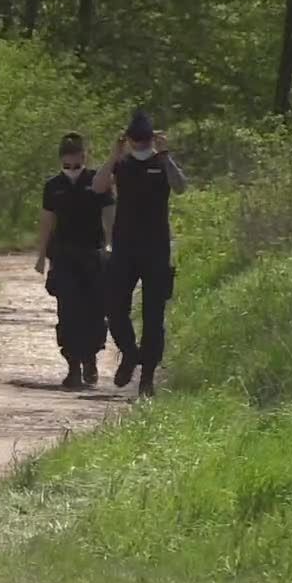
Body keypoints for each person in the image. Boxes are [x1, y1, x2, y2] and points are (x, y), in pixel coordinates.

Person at [92, 111, 188, 397]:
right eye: (136, 140)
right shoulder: (121, 165)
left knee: (153, 315)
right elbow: (97, 186)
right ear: (128, 140)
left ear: (152, 140)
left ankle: (147, 377)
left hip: (156, 248)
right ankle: (130, 354)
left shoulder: (161, 164)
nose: (141, 145)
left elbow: (181, 187)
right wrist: (113, 154)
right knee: (114, 307)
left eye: (145, 140)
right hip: (125, 247)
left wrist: (165, 154)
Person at [35, 133, 115, 389]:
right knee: (68, 312)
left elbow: (109, 213)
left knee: (94, 310)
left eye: (76, 157)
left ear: (84, 155)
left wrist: (111, 245)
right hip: (64, 254)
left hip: (93, 252)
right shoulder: (53, 185)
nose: (71, 162)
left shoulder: (97, 180)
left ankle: (90, 360)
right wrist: (40, 256)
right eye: (67, 158)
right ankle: (72, 367)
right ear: (62, 158)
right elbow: (47, 221)